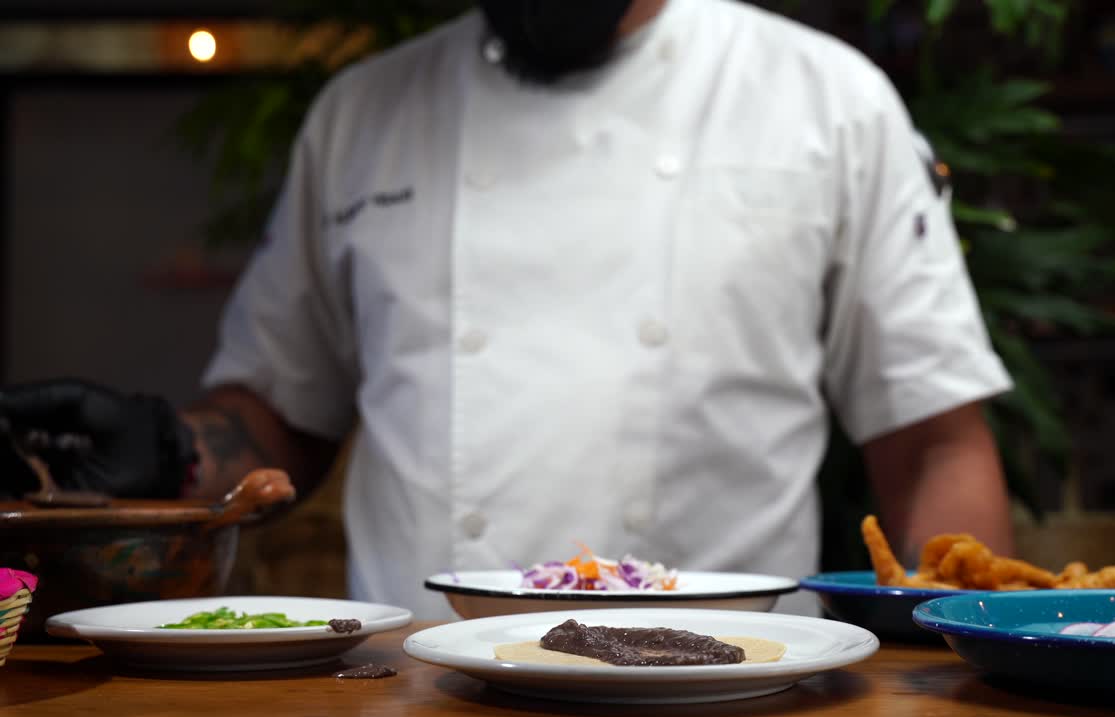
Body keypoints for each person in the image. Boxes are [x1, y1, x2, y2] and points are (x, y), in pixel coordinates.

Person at [0, 0, 1014, 618]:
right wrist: (172, 453)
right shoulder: (360, 114)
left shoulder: (824, 98)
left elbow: (930, 442)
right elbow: (276, 418)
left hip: (732, 688)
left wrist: (945, 679)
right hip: (415, 689)